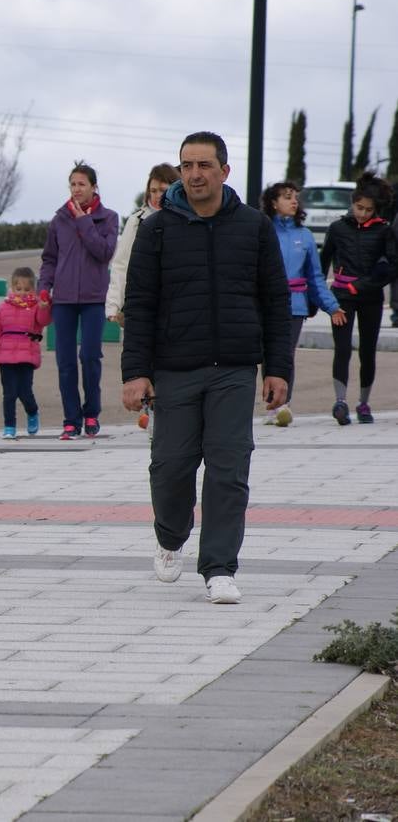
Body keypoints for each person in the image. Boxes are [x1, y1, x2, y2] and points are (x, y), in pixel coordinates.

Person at [121, 131, 292, 605]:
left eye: (204, 165)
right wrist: (135, 372)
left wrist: (278, 368)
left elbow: (276, 301)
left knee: (228, 468)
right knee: (171, 465)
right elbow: (140, 304)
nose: (194, 174)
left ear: (224, 172)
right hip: (174, 368)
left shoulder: (254, 227)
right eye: (187, 166)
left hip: (235, 369)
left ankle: (219, 567)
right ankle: (171, 534)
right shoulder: (156, 229)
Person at [39, 162, 120, 440]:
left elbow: (105, 252)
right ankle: (71, 419)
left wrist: (83, 221)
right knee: (65, 361)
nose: (76, 189)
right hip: (62, 300)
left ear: (94, 187)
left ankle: (91, 413)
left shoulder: (108, 218)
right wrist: (43, 287)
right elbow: (49, 258)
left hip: (94, 299)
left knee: (89, 356)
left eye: (82, 184)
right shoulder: (59, 219)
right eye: (73, 184)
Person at [262, 181, 345, 426]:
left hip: (295, 305)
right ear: (273, 202)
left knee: (285, 355)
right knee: (266, 355)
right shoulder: (264, 231)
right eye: (287, 197)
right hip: (266, 303)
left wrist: (331, 306)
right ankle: (270, 404)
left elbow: (315, 276)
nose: (294, 201)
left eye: (295, 197)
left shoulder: (305, 235)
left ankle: (283, 405)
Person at [319, 172, 398, 425]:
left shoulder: (385, 231)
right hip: (341, 297)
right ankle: (340, 402)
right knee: (342, 349)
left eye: (368, 209)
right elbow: (321, 266)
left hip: (370, 297)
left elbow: (392, 266)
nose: (362, 213)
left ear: (377, 209)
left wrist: (361, 286)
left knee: (367, 350)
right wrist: (319, 298)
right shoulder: (337, 228)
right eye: (358, 207)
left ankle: (364, 403)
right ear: (352, 203)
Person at [106, 163, 180, 325]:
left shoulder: (185, 220)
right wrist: (113, 305)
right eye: (153, 190)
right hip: (140, 302)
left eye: (162, 190)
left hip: (175, 304)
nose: (157, 195)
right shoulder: (136, 221)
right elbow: (121, 264)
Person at [0, 267, 52, 439]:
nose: (22, 293)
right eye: (18, 289)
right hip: (5, 358)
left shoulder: (36, 306)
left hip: (26, 356)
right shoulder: (2, 308)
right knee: (9, 394)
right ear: (12, 288)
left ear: (34, 290)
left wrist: (44, 307)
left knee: (25, 392)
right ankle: (9, 426)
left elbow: (43, 321)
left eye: (27, 289)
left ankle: (32, 411)